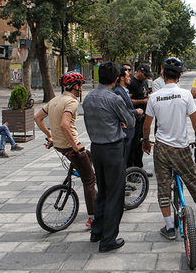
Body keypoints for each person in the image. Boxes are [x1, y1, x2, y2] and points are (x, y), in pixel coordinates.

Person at [141, 57, 196, 240]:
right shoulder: (186, 95)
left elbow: (147, 126)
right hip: (181, 148)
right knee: (192, 182)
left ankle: (169, 227)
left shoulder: (154, 97)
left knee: (164, 187)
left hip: (162, 148)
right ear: (180, 76)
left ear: (163, 74)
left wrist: (145, 141)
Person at [82, 63, 135, 252]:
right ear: (115, 79)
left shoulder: (88, 98)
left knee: (102, 191)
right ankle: (108, 239)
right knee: (115, 194)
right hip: (113, 149)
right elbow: (129, 121)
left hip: (96, 147)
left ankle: (96, 231)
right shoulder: (114, 99)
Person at [35, 72, 97, 229]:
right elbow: (64, 124)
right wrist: (75, 146)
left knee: (89, 157)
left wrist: (50, 136)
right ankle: (93, 218)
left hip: (60, 146)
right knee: (89, 181)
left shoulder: (54, 100)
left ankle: (83, 172)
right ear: (75, 86)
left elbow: (37, 118)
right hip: (72, 147)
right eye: (81, 85)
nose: (81, 88)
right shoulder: (71, 102)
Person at [113, 64, 143, 165]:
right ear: (122, 78)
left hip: (130, 128)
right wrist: (136, 111)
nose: (129, 78)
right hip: (125, 130)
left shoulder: (124, 91)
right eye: (127, 76)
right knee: (125, 156)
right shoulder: (118, 92)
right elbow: (122, 111)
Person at [127, 64, 152, 171]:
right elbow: (128, 101)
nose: (146, 78)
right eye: (145, 75)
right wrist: (142, 101)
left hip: (144, 117)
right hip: (135, 118)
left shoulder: (145, 83)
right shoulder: (132, 83)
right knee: (134, 144)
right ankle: (132, 169)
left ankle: (139, 167)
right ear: (139, 72)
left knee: (142, 142)